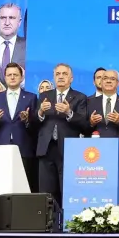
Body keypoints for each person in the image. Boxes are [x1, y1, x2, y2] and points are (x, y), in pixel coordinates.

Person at [36, 63, 87, 205]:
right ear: (54, 77)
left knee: (68, 190)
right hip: (46, 149)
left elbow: (84, 123)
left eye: (65, 74)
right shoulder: (44, 95)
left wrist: (68, 112)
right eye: (58, 74)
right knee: (46, 192)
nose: (61, 77)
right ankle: (48, 219)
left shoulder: (80, 97)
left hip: (68, 149)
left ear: (71, 78)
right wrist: (40, 112)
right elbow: (34, 122)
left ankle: (68, 218)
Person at [0, 63, 37, 191]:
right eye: (9, 75)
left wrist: (27, 120)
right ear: (5, 77)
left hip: (24, 147)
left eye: (15, 74)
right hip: (1, 145)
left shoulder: (31, 97)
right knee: (0, 184)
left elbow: (36, 125)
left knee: (23, 186)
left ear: (21, 77)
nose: (12, 77)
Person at [86, 68, 119, 176]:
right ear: (101, 82)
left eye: (112, 79)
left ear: (118, 83)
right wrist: (91, 122)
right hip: (94, 152)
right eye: (105, 78)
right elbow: (81, 127)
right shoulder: (89, 102)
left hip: (118, 151)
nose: (108, 81)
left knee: (118, 183)